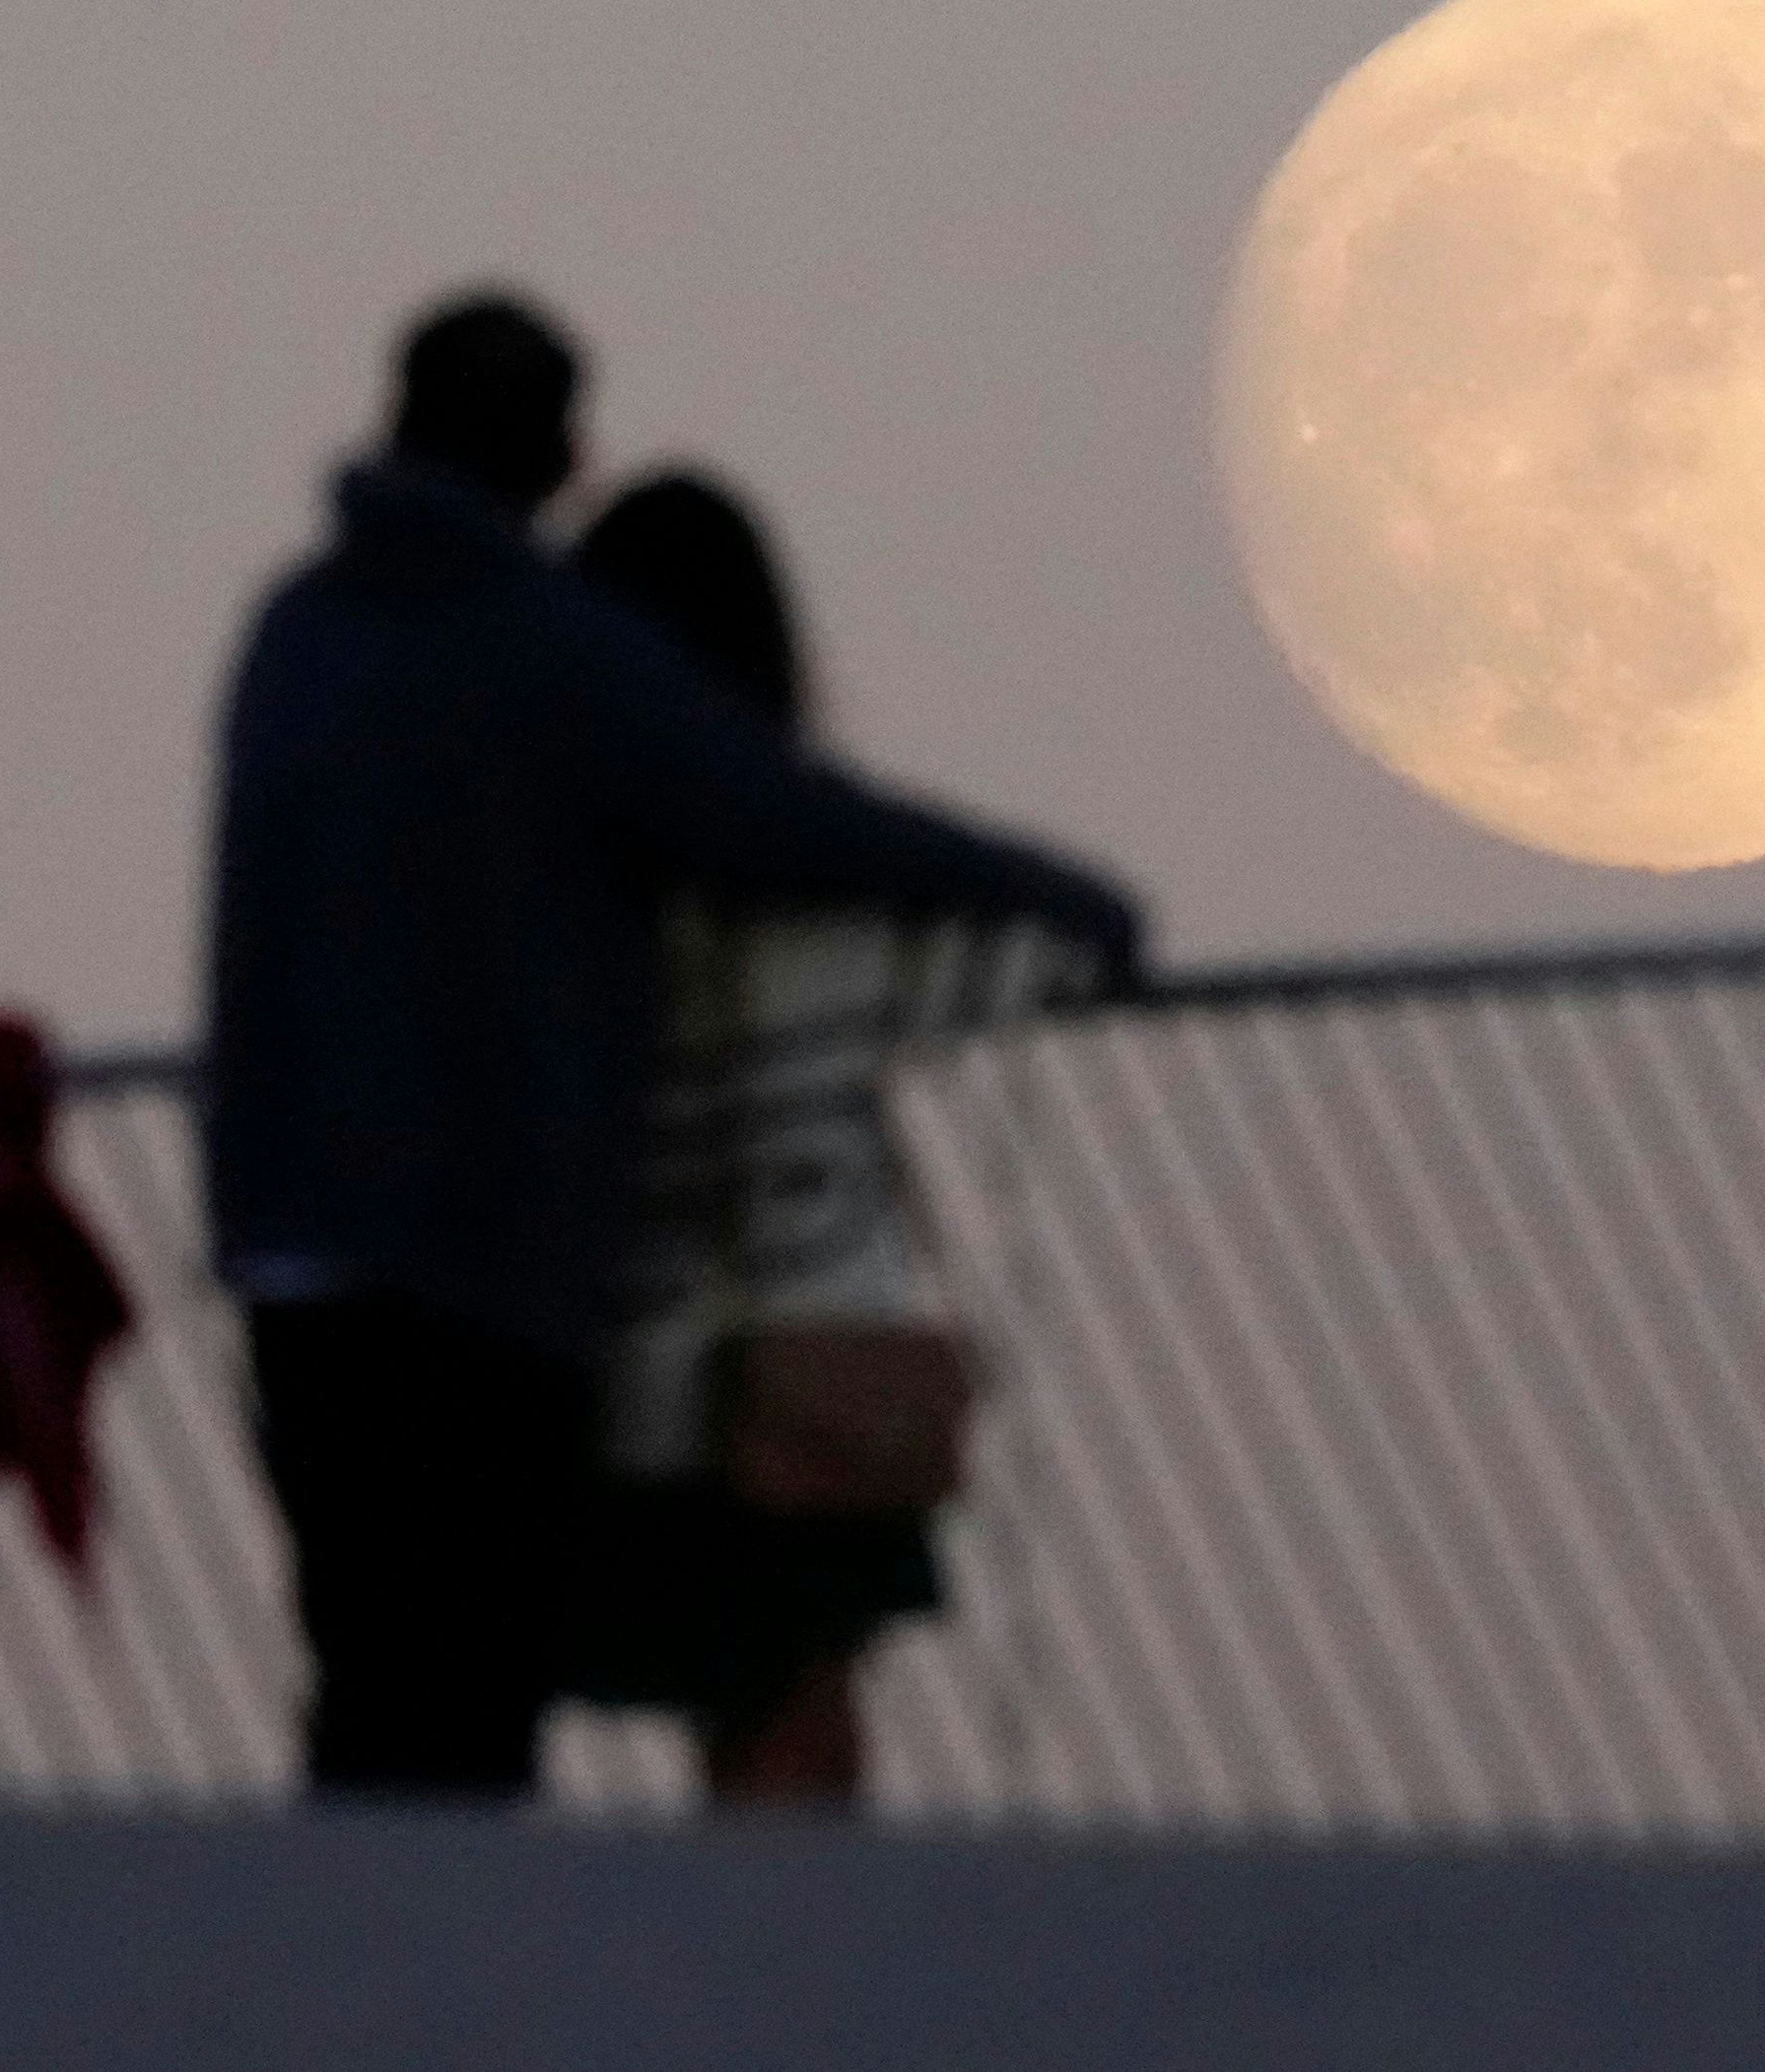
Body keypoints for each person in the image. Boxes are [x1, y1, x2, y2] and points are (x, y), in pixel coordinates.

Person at [203, 289, 1136, 1799]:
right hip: (484, 1263)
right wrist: (1054, 896)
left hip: (296, 1238)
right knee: (481, 1689)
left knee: (373, 1681)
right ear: (548, 444)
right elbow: (777, 819)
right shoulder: (537, 648)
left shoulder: (293, 639)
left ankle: (365, 1996)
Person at [562, 470, 983, 1803]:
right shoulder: (840, 865)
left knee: (699, 1676)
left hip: (627, 1361)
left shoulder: (559, 882)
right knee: (805, 1708)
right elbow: (985, 966)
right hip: (832, 1356)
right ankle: (805, 1986)